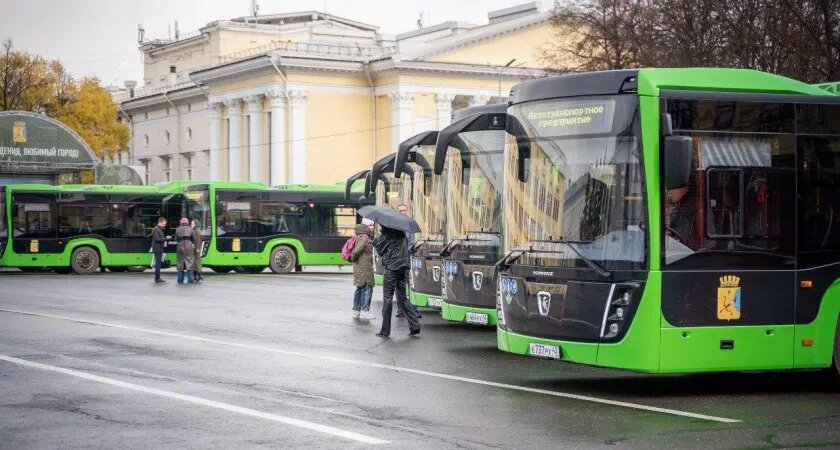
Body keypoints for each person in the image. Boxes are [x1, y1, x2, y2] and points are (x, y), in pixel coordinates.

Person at [373, 225, 420, 337]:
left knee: (388, 298)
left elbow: (380, 250)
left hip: (392, 268)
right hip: (403, 268)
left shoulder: (387, 234)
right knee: (403, 297)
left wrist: (375, 240)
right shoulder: (401, 233)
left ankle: (385, 331)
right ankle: (415, 326)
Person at [395, 203, 421, 319]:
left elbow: (412, 242)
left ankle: (413, 309)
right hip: (397, 260)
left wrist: (408, 250)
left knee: (411, 285)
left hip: (408, 258)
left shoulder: (411, 224)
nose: (402, 212)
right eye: (400, 210)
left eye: (404, 210)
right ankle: (400, 309)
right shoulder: (394, 225)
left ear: (408, 210)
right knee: (399, 285)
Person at [351, 218, 375, 320]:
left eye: (373, 225)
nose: (373, 227)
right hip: (364, 267)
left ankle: (356, 311)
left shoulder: (361, 235)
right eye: (371, 225)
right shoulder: (364, 237)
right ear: (366, 226)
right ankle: (365, 311)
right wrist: (353, 259)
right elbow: (357, 251)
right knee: (367, 288)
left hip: (361, 266)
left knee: (360, 288)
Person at [175, 217, 196, 284]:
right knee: (190, 262)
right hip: (189, 246)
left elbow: (175, 239)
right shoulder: (190, 229)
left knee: (180, 262)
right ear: (187, 223)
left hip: (180, 246)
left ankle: (180, 280)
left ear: (181, 223)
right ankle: (190, 280)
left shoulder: (177, 229)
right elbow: (194, 239)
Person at [151, 217, 171, 283]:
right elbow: (157, 239)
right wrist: (166, 238)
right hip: (157, 249)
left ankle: (158, 278)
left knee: (158, 264)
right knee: (158, 264)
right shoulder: (156, 229)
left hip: (159, 248)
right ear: (160, 222)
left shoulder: (159, 229)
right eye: (163, 224)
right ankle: (157, 278)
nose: (164, 225)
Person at [191, 218, 204, 283]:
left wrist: (197, 249)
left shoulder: (197, 231)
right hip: (196, 248)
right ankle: (197, 276)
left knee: (196, 262)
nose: (191, 224)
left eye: (192, 223)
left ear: (195, 224)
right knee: (195, 262)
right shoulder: (195, 230)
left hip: (196, 249)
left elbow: (198, 241)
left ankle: (199, 276)